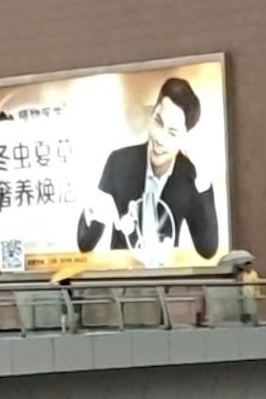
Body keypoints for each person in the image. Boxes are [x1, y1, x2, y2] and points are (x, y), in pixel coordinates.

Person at [76, 76, 221, 262]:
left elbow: (207, 249)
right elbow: (85, 243)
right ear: (152, 115)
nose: (160, 138)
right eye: (158, 122)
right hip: (121, 284)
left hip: (167, 286)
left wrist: (203, 180)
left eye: (172, 132)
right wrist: (91, 211)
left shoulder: (190, 175)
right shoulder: (119, 162)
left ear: (185, 137)